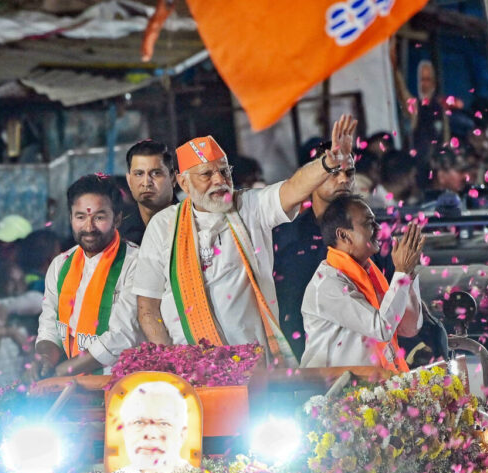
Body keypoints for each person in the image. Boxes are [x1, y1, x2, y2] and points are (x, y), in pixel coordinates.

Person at [134, 115, 358, 366]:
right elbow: (148, 308)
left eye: (224, 171)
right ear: (183, 181)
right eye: (207, 174)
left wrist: (328, 163)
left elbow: (293, 188)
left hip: (253, 365)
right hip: (190, 369)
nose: (219, 181)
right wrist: (171, 363)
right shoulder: (163, 226)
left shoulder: (250, 206)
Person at [272, 141, 394, 358]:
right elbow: (288, 309)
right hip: (319, 365)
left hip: (373, 360)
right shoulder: (290, 237)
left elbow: (392, 294)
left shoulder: (372, 233)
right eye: (333, 172)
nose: (344, 179)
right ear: (312, 177)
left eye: (350, 172)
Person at [33, 174, 142, 379]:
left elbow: (122, 336)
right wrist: (45, 360)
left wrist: (63, 370)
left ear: (117, 218)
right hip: (68, 391)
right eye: (80, 217)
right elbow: (49, 327)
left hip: (118, 387)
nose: (89, 227)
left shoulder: (135, 263)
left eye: (99, 217)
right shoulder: (60, 265)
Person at [300, 195, 423, 371]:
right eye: (368, 223)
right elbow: (382, 329)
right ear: (343, 235)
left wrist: (408, 274)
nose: (379, 228)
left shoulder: (370, 273)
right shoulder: (327, 284)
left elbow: (409, 328)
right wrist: (401, 272)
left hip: (370, 387)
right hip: (332, 390)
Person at [115, 381, 195, 473]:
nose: (150, 434)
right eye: (139, 422)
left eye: (163, 424)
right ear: (125, 431)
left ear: (182, 434)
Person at [120, 140, 177, 245]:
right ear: (129, 181)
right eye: (139, 174)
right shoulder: (119, 235)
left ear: (173, 178)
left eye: (156, 173)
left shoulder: (192, 223)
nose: (146, 183)